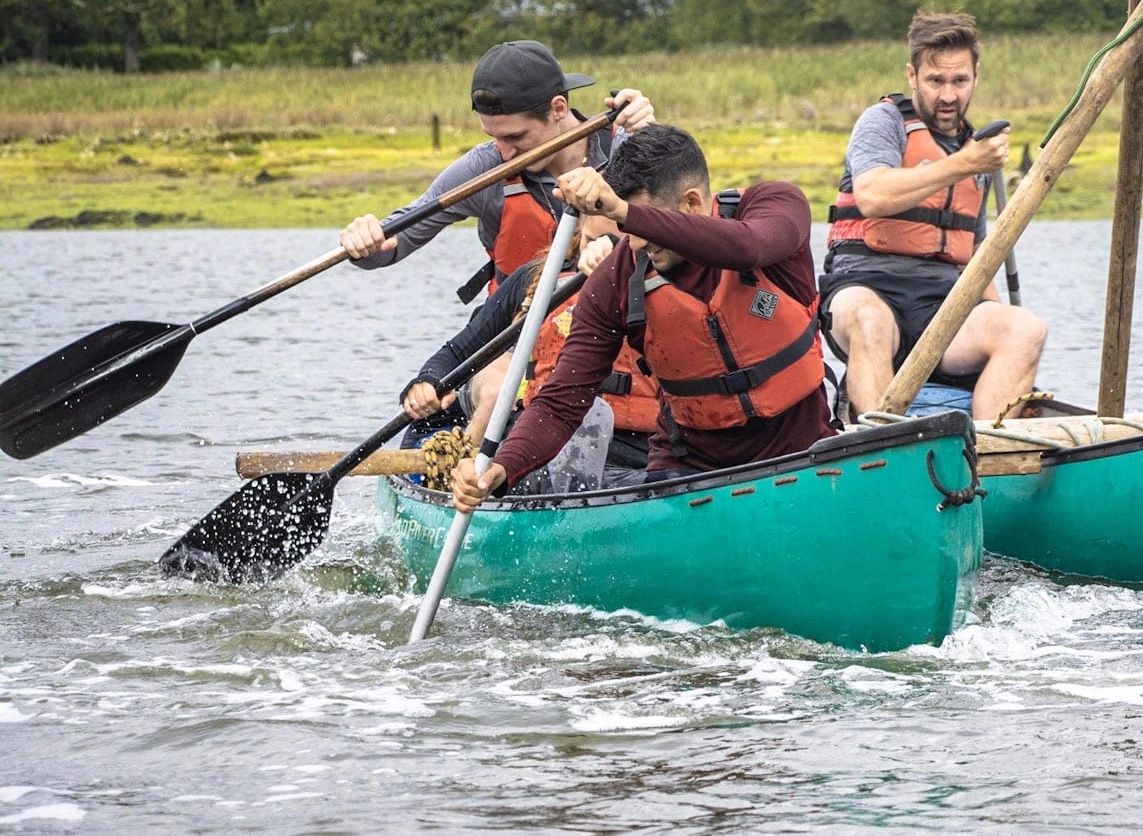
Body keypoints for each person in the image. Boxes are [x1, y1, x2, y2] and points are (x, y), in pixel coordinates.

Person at [450, 125, 833, 510]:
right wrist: (500, 468)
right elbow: (561, 403)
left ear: (693, 203)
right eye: (625, 228)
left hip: (802, 454)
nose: (635, 242)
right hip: (689, 475)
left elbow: (749, 247)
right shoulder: (616, 279)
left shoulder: (774, 205)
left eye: (640, 223)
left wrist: (622, 211)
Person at [818, 12, 1046, 419]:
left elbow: (975, 259)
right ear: (912, 75)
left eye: (959, 81)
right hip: (863, 288)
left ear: (976, 75)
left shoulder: (976, 151)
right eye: (935, 81)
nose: (948, 96)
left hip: (941, 307)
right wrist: (962, 164)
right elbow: (871, 195)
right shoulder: (884, 122)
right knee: (872, 323)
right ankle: (881, 454)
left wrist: (1006, 333)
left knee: (1025, 329)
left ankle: (984, 460)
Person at [337, 40, 656, 300]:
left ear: (558, 109)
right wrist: (364, 245)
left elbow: (681, 229)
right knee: (490, 382)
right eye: (494, 137)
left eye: (516, 136)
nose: (504, 152)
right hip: (514, 334)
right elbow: (394, 242)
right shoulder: (482, 169)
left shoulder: (626, 144)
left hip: (618, 331)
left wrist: (649, 134)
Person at [399, 238, 663, 485]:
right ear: (581, 216)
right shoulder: (535, 278)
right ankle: (462, 475)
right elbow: (459, 350)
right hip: (539, 449)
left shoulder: (665, 277)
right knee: (579, 411)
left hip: (636, 456)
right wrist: (427, 380)